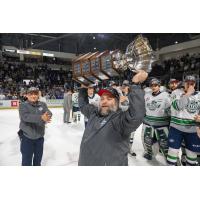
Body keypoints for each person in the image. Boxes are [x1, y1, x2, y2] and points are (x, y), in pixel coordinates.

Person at [78, 70, 147, 166]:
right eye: (102, 99)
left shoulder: (120, 120)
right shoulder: (94, 113)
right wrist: (83, 89)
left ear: (117, 102)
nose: (104, 101)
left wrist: (135, 84)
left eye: (109, 99)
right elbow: (83, 106)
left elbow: (137, 115)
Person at [167, 75, 200, 165]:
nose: (189, 86)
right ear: (184, 83)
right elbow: (177, 106)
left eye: (192, 84)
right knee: (172, 152)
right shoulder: (176, 93)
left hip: (192, 130)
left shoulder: (199, 95)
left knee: (192, 155)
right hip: (176, 129)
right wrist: (188, 94)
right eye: (187, 83)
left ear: (195, 84)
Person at [19, 87, 52, 166]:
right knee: (26, 161)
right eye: (31, 94)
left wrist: (48, 116)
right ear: (27, 95)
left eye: (35, 94)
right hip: (27, 138)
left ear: (38, 95)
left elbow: (49, 113)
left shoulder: (42, 104)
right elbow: (25, 117)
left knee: (38, 160)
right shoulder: (23, 105)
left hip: (40, 138)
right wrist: (41, 117)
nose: (33, 96)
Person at [142, 78, 171, 161]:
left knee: (164, 142)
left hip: (162, 123)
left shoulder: (165, 95)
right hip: (148, 122)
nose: (153, 87)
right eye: (152, 85)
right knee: (147, 140)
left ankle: (169, 158)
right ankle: (149, 153)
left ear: (159, 86)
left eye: (155, 85)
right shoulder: (147, 95)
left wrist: (169, 114)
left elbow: (170, 108)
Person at [120, 80, 136, 156]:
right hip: (121, 118)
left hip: (130, 118)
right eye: (123, 86)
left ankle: (129, 149)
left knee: (131, 135)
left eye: (126, 86)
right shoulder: (119, 94)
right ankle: (121, 149)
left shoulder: (133, 95)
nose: (125, 87)